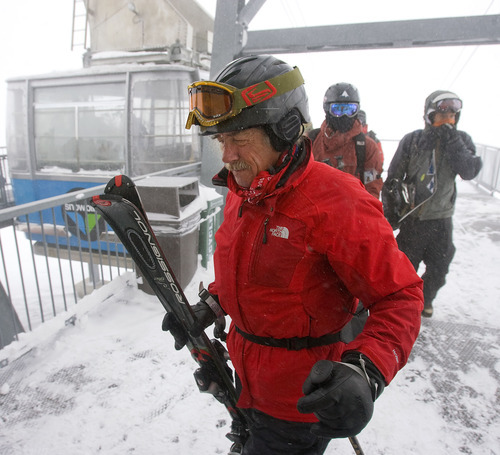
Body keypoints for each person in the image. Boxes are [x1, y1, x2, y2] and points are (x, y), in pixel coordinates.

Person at [165, 55, 423, 455]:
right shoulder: (243, 192)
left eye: (240, 139)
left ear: (284, 130)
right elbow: (248, 273)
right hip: (245, 387)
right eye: (221, 140)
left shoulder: (337, 201)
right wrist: (212, 305)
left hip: (299, 407)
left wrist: (366, 370)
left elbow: (400, 296)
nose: (227, 156)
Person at [382, 90, 482, 318]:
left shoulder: (461, 140)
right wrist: (391, 214)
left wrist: (452, 141)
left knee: (439, 267)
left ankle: (425, 299)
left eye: (452, 116)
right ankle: (401, 306)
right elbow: (392, 178)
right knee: (403, 269)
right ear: (429, 115)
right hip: (414, 219)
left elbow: (468, 170)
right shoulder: (413, 140)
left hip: (442, 219)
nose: (447, 120)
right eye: (441, 115)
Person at [308, 83, 383, 199]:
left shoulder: (366, 147)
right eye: (337, 110)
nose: (343, 115)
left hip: (352, 212)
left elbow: (372, 190)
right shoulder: (311, 142)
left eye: (350, 110)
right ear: (327, 109)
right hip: (316, 211)